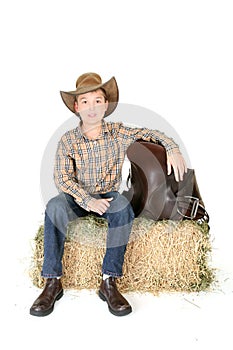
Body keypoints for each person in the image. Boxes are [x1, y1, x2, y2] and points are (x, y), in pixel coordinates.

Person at [30, 72, 187, 317]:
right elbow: (62, 179)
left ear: (106, 105)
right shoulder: (68, 140)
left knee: (123, 207)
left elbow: (151, 133)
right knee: (54, 207)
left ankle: (109, 281)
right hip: (77, 196)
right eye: (85, 101)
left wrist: (172, 147)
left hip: (109, 195)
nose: (91, 107)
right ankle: (52, 281)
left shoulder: (118, 132)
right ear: (76, 107)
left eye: (98, 100)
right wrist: (88, 201)